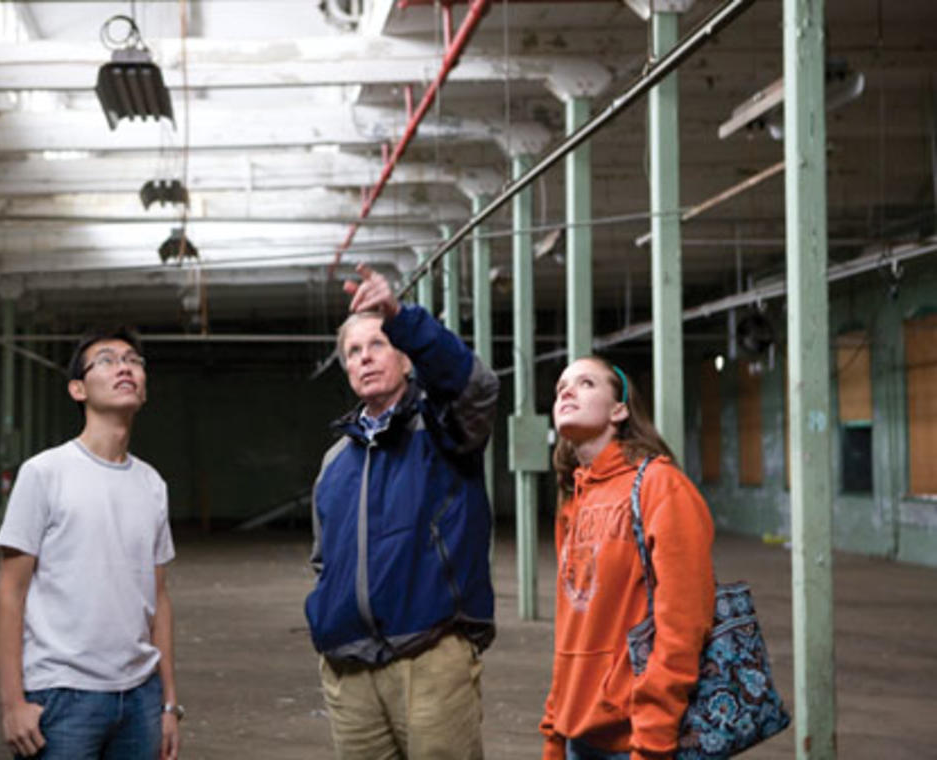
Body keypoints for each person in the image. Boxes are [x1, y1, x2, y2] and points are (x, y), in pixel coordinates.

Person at [305, 262, 499, 760]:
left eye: (378, 344)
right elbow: (325, 560)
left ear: (407, 359)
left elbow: (475, 387)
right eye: (353, 351)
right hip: (350, 670)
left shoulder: (443, 432)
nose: (365, 358)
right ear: (346, 369)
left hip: (429, 658)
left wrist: (402, 319)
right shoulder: (335, 463)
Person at [0, 327, 180, 760]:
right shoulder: (44, 473)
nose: (125, 367)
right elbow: (10, 593)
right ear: (78, 389)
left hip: (140, 698)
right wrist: (12, 704)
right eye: (108, 360)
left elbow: (160, 600)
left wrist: (169, 703)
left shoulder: (152, 484)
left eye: (133, 360)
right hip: (62, 696)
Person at [539, 356, 715, 760]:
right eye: (560, 387)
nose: (566, 391)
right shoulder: (573, 500)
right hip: (578, 735)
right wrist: (555, 730)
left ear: (619, 410)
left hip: (636, 739)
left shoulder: (660, 486)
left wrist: (653, 737)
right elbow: (572, 629)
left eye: (585, 383)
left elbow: (683, 625)